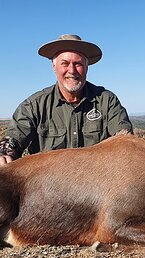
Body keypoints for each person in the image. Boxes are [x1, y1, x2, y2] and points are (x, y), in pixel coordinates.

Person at [0, 34, 133, 165]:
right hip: (47, 184)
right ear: (54, 66)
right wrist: (4, 154)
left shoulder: (107, 101)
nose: (72, 70)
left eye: (78, 64)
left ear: (87, 67)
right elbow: (13, 140)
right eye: (65, 63)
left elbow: (125, 140)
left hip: (97, 183)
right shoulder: (34, 105)